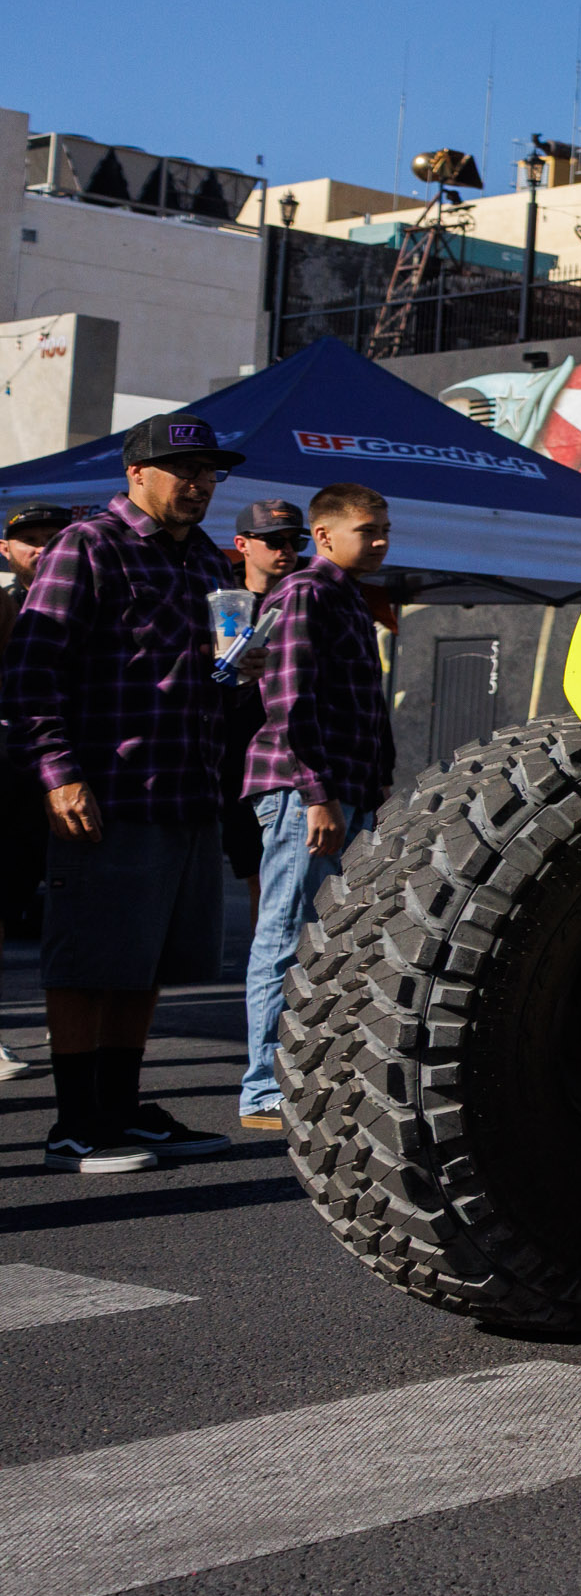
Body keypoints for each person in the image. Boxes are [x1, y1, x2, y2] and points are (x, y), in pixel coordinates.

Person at [0, 417, 245, 1170]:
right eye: (183, 468)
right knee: (88, 960)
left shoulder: (204, 557)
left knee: (145, 964)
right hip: (108, 788)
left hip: (185, 788)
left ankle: (119, 1106)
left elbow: (210, 670)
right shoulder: (88, 544)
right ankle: (74, 1123)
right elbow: (30, 674)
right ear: (137, 471)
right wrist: (59, 773)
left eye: (209, 471)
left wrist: (242, 667)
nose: (199, 482)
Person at [235, 484, 394, 1134]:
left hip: (342, 791)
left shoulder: (344, 596)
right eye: (368, 528)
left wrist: (371, 788)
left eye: (385, 527)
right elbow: (289, 701)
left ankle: (302, 1076)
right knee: (283, 933)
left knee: (327, 940)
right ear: (325, 535)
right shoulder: (306, 591)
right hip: (306, 792)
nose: (381, 538)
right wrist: (317, 793)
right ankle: (263, 1086)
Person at [0, 501, 74, 1084]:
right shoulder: (2, 607)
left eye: (55, 539)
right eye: (32, 540)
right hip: (9, 781)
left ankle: (72, 1025)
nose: (44, 549)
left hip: (70, 777)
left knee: (68, 904)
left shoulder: (83, 605)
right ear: (7, 549)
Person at [213, 498, 305, 900]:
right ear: (243, 543)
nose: (285, 549)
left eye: (293, 541)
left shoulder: (308, 595)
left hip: (292, 756)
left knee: (281, 880)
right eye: (273, 540)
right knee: (253, 874)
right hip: (228, 755)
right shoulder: (222, 599)